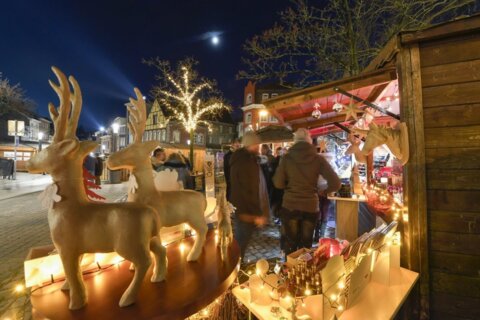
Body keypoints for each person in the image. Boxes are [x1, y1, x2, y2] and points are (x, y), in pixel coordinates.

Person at [273, 128, 341, 255]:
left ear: (295, 141)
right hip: (310, 206)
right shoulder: (318, 159)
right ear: (309, 141)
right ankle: (305, 271)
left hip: (291, 205)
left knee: (291, 244)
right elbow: (336, 183)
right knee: (306, 246)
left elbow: (278, 183)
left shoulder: (286, 158)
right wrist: (324, 191)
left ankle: (291, 271)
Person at [230, 131, 269, 260]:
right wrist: (257, 214)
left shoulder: (244, 159)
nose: (258, 146)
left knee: (240, 242)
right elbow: (250, 190)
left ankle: (236, 265)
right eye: (256, 143)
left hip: (241, 209)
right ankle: (235, 269)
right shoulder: (246, 162)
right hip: (246, 211)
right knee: (240, 243)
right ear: (250, 144)